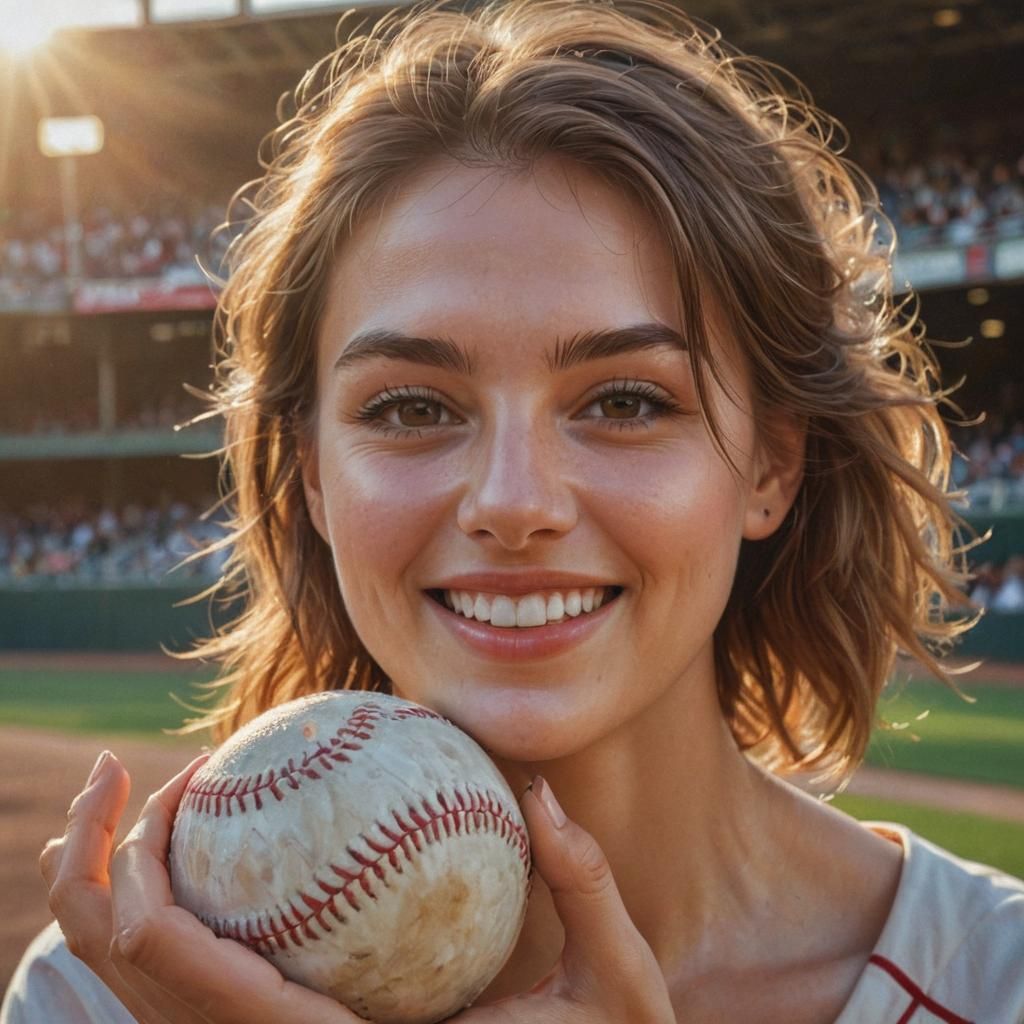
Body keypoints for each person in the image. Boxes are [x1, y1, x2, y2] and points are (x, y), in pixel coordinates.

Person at [4, 1, 1023, 1021]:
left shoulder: (998, 979)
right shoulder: (105, 998)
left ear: (770, 462)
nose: (512, 501)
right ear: (312, 473)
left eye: (625, 401)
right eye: (411, 407)